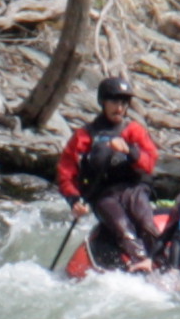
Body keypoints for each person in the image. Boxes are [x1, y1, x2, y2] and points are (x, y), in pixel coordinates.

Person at [56, 76, 165, 271]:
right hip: (104, 196)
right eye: (114, 101)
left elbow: (149, 163)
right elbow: (66, 172)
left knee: (147, 224)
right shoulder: (84, 135)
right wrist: (74, 200)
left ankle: (163, 264)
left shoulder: (133, 131)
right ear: (102, 102)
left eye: (124, 103)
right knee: (124, 229)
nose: (119, 107)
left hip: (133, 189)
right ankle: (141, 264)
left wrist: (130, 151)